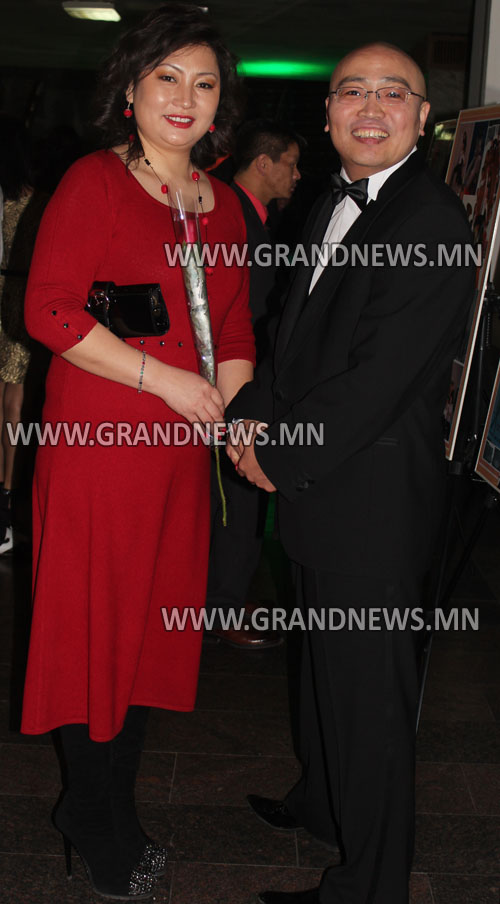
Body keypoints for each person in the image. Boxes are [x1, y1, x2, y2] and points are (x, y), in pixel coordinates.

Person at [226, 43, 475, 904]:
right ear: (328, 111)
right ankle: (324, 805)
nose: (372, 108)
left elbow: (374, 382)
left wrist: (276, 453)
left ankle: (368, 887)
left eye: (393, 94)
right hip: (323, 493)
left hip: (369, 503)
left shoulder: (431, 223)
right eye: (354, 92)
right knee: (323, 673)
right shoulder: (332, 200)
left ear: (423, 118)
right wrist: (253, 410)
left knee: (369, 707)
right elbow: (297, 338)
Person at [21, 4, 254, 900]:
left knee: (151, 633)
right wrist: (168, 383)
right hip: (101, 445)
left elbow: (234, 328)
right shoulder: (96, 181)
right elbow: (48, 310)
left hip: (177, 454)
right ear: (131, 88)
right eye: (168, 77)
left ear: (221, 101)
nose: (186, 96)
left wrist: (232, 418)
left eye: (205, 82)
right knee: (96, 631)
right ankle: (91, 815)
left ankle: (111, 806)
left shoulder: (224, 206)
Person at [207, 119, 301, 648]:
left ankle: (226, 599)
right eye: (290, 163)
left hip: (248, 377)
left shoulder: (254, 216)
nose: (297, 175)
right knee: (234, 498)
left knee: (240, 498)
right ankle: (221, 608)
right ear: (263, 163)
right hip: (231, 379)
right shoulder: (230, 213)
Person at [0, 115, 46, 554]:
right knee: (15, 403)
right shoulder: (39, 201)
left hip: (5, 291)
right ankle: (8, 498)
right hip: (22, 296)